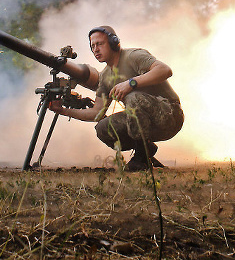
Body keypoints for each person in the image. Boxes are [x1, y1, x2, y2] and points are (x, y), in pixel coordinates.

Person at [48, 26, 184, 172]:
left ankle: (141, 156)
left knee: (133, 97)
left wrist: (131, 83)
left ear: (114, 42)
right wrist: (63, 111)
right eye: (92, 46)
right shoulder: (105, 76)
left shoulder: (133, 56)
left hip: (170, 115)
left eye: (100, 44)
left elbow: (165, 70)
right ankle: (146, 149)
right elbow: (96, 113)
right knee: (103, 128)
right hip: (147, 123)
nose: (96, 49)